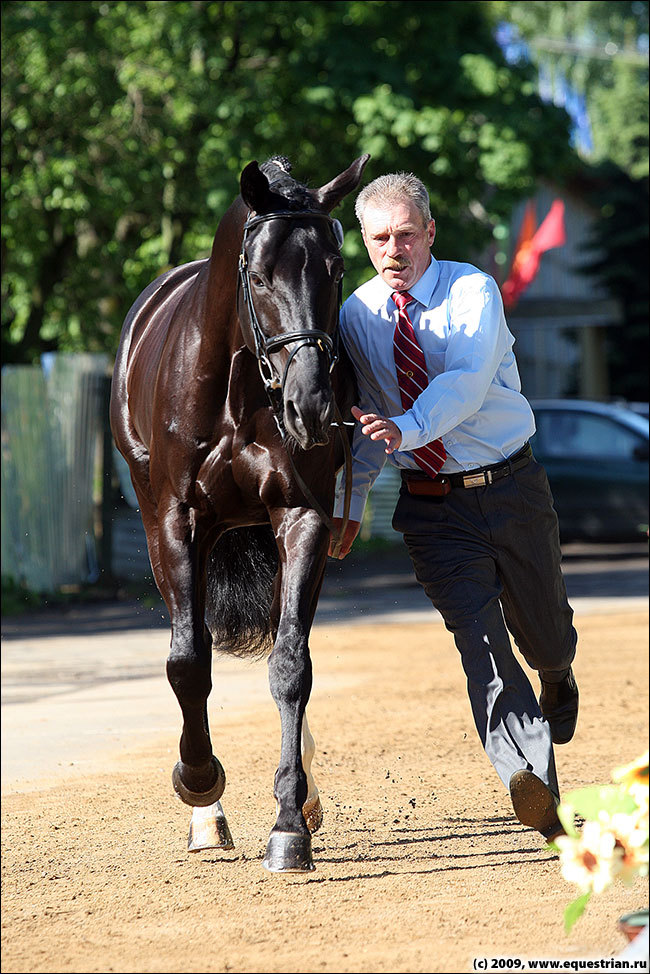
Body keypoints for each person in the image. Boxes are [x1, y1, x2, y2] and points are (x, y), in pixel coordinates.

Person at [329, 172, 579, 841]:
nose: (394, 249)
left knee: (544, 635)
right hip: (433, 509)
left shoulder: (471, 290)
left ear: (429, 233)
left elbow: (465, 382)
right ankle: (532, 780)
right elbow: (364, 417)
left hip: (512, 488)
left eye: (406, 233)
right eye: (380, 237)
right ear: (364, 240)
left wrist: (407, 429)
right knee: (481, 643)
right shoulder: (355, 316)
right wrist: (351, 501)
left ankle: (557, 675)